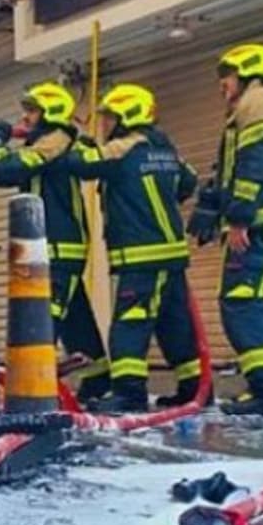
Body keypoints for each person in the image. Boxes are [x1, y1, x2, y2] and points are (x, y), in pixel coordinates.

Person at [0, 81, 110, 403]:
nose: (25, 118)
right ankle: (99, 378)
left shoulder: (57, 141)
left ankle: (32, 391)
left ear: (50, 113)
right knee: (76, 320)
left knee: (43, 316)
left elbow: (8, 168)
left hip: (59, 245)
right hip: (51, 245)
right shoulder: (44, 142)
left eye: (32, 111)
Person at [63, 83, 204, 412]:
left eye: (110, 118)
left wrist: (69, 139)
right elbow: (189, 180)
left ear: (127, 116)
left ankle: (129, 393)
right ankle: (194, 388)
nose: (106, 125)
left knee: (130, 324)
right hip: (171, 255)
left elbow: (83, 162)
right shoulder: (165, 150)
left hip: (141, 258)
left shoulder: (124, 147)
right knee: (174, 325)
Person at [188, 43, 263, 415]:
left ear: (248, 72)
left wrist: (239, 216)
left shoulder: (257, 102)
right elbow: (236, 165)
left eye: (228, 74)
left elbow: (254, 163)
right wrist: (213, 203)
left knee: (241, 302)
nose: (222, 83)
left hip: (260, 223)